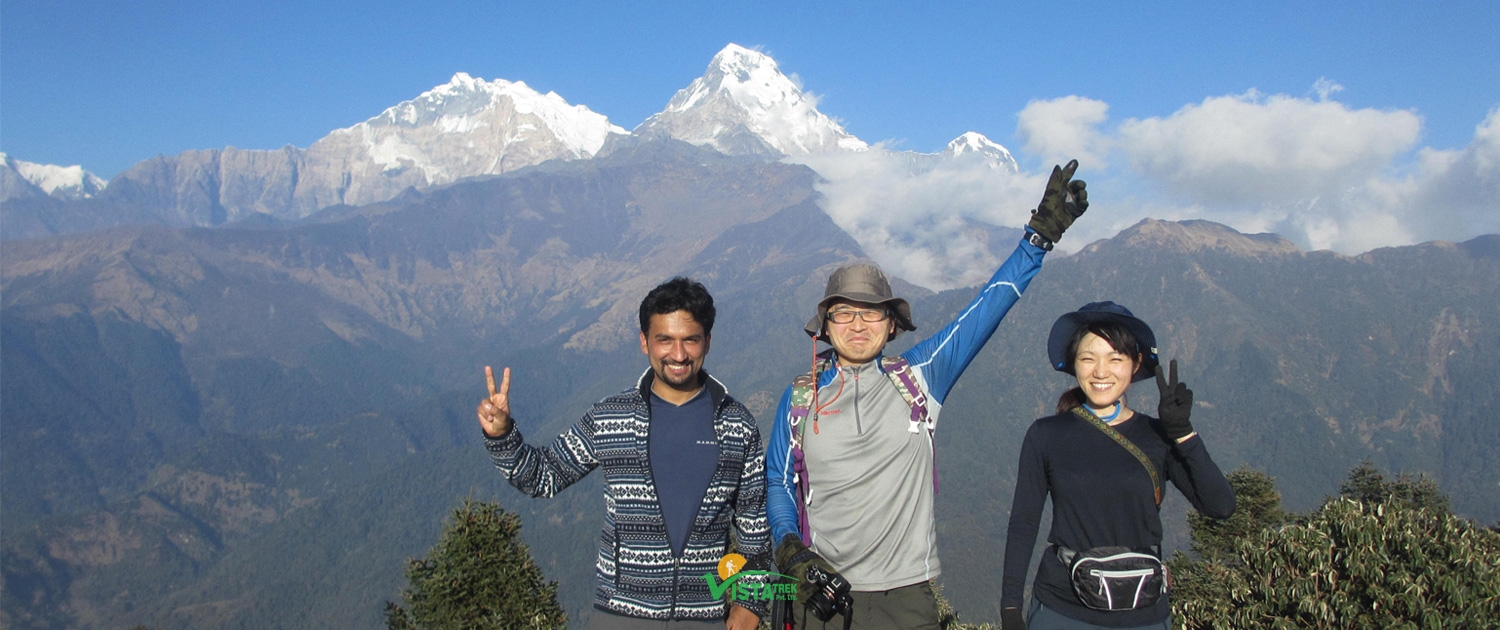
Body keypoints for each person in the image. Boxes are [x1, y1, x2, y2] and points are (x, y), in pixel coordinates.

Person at [766, 161, 1091, 629]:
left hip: (908, 597)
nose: (858, 325)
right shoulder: (799, 399)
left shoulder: (919, 377)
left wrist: (1037, 240)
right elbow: (778, 480)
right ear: (825, 327)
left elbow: (986, 308)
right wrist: (787, 545)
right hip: (821, 593)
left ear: (892, 324)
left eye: (871, 314)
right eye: (843, 314)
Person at [477, 277, 769, 630]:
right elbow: (544, 476)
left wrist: (752, 603)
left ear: (707, 341)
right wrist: (503, 435)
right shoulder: (611, 417)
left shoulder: (736, 425)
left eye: (690, 340)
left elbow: (754, 527)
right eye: (665, 339)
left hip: (705, 618)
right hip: (619, 616)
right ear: (644, 342)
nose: (678, 355)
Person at [1000, 302, 1237, 630]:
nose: (1101, 371)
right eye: (1088, 358)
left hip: (1143, 611)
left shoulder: (1156, 436)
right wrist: (1010, 603)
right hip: (1063, 608)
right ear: (1074, 364)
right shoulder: (1046, 435)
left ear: (1135, 364)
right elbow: (1024, 522)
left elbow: (1220, 506)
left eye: (1116, 358)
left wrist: (1183, 433)